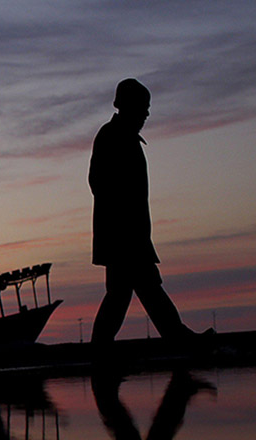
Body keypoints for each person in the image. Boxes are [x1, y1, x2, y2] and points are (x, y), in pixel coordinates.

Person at [89, 79, 207, 346]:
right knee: (142, 289)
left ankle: (102, 347)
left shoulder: (123, 138)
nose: (147, 114)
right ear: (128, 106)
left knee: (127, 292)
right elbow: (99, 183)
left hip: (129, 234)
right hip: (124, 236)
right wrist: (125, 224)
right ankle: (177, 339)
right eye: (143, 107)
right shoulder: (112, 136)